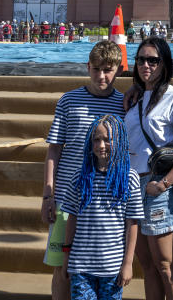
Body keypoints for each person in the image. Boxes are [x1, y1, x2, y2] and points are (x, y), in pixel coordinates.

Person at [42, 41, 128, 300]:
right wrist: (49, 194)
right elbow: (54, 150)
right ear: (88, 67)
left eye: (108, 70)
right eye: (97, 69)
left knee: (104, 271)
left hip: (104, 204)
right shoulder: (69, 100)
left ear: (118, 71)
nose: (102, 76)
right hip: (68, 201)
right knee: (62, 269)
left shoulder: (124, 105)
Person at [124, 37, 173, 299]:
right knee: (147, 266)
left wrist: (165, 183)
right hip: (132, 187)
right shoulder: (133, 97)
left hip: (157, 187)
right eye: (141, 59)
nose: (146, 65)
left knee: (166, 265)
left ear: (164, 64)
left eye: (153, 60)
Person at [60, 114, 143, 300]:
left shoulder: (129, 179)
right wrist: (66, 257)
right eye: (96, 140)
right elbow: (71, 218)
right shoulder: (79, 179)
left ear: (119, 141)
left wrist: (128, 264)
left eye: (107, 139)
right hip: (80, 266)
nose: (101, 145)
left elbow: (132, 223)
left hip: (112, 267)